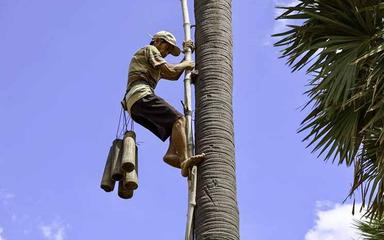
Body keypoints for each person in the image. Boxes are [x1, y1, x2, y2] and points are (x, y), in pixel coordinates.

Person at [122, 31, 204, 177]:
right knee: (179, 120)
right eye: (167, 48)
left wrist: (187, 55)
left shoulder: (153, 62)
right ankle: (184, 159)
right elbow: (170, 69)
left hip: (134, 106)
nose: (166, 53)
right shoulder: (150, 50)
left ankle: (172, 154)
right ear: (158, 41)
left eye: (169, 51)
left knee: (173, 124)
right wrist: (186, 62)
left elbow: (173, 74)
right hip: (141, 95)